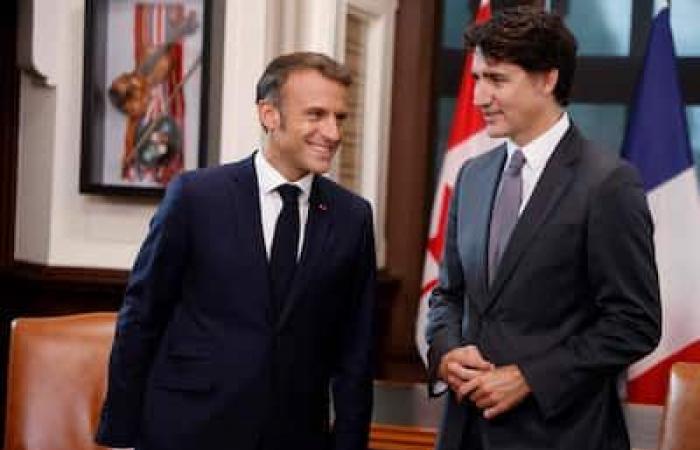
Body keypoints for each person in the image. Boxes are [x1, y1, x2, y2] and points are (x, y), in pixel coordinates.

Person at [95, 52, 377, 450]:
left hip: (295, 437)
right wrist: (121, 434)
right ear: (269, 114)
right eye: (316, 115)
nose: (332, 132)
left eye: (340, 117)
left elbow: (356, 351)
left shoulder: (353, 217)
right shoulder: (195, 197)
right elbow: (142, 316)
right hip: (187, 430)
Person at [425, 6, 661, 450]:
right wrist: (446, 352)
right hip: (465, 434)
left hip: (561, 435)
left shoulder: (609, 183)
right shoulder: (472, 175)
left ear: (547, 80)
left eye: (496, 79)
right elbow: (447, 295)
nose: (478, 97)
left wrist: (530, 377)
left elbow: (635, 323)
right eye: (477, 79)